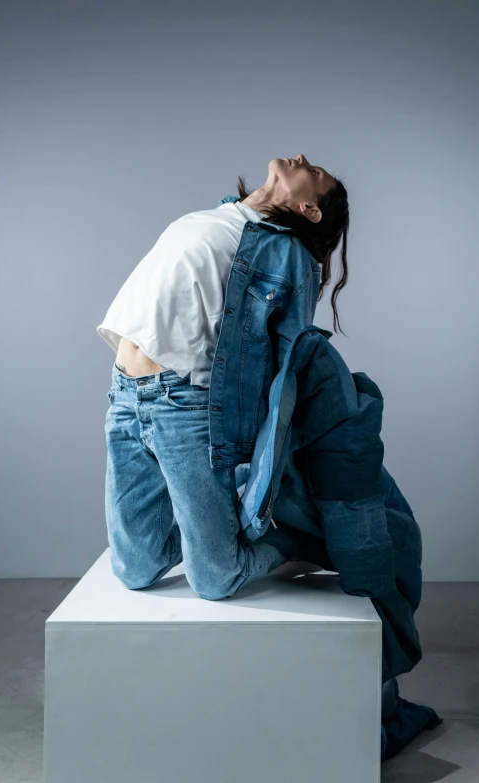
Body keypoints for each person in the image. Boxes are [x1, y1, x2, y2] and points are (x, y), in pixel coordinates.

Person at [97, 154, 349, 600]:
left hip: (186, 406)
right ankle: (211, 529)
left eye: (315, 174)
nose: (305, 160)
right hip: (124, 395)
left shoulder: (288, 254)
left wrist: (268, 463)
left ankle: (290, 542)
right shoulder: (216, 215)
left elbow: (287, 363)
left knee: (215, 580)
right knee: (135, 569)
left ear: (311, 210)